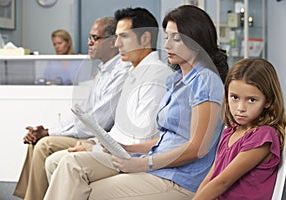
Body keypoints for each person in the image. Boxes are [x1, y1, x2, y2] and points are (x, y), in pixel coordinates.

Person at [43, 5, 228, 200]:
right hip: (156, 167)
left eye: (177, 39)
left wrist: (144, 163)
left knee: (87, 191)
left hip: (179, 179)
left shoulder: (205, 80)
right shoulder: (176, 80)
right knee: (70, 166)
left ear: (196, 40)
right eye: (167, 38)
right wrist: (127, 148)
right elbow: (167, 139)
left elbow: (197, 148)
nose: (167, 46)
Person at [44, 6, 173, 182]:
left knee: (68, 163)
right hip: (117, 150)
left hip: (132, 159)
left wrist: (94, 149)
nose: (118, 43)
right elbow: (120, 130)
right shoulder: (134, 72)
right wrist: (94, 144)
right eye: (117, 37)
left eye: (124, 36)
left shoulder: (156, 75)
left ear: (145, 38)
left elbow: (140, 138)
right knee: (53, 162)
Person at [13, 17, 131, 200]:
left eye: (95, 38)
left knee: (44, 144)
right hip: (88, 133)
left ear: (111, 42)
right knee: (36, 140)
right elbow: (80, 113)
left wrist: (49, 133)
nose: (89, 43)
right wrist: (45, 129)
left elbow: (96, 122)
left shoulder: (121, 72)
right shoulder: (103, 70)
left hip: (98, 139)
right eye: (89, 38)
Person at [193, 58, 286, 200]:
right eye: (234, 97)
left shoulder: (263, 136)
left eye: (251, 100)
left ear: (268, 101)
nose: (240, 108)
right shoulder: (230, 131)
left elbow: (222, 182)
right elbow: (212, 176)